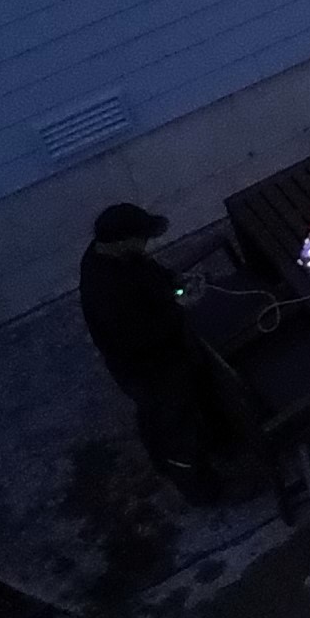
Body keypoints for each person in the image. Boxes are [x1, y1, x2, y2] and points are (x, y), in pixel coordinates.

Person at [79, 204, 229, 502]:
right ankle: (202, 490)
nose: (146, 244)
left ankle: (193, 449)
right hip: (148, 369)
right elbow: (138, 338)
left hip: (159, 358)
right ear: (121, 240)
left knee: (162, 416)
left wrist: (173, 282)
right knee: (177, 427)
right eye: (141, 238)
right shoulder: (105, 290)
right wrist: (180, 309)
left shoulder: (115, 255)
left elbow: (147, 270)